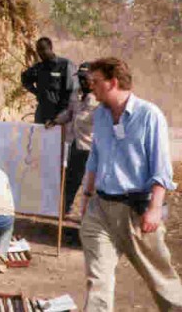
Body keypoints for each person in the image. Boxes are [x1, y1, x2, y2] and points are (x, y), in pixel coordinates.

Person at [79, 57, 182, 312]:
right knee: (98, 280)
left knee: (161, 280)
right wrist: (87, 195)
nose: (90, 86)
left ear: (113, 82)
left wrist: (155, 208)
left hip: (136, 211)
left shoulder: (149, 116)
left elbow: (161, 169)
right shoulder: (100, 115)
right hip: (100, 209)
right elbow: (95, 157)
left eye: (95, 81)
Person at [46, 61, 99, 218]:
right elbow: (69, 113)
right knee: (70, 179)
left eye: (85, 78)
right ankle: (64, 210)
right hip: (76, 144)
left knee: (91, 184)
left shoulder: (99, 97)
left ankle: (88, 217)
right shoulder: (76, 93)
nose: (82, 81)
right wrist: (55, 120)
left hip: (91, 146)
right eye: (80, 78)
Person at [21, 37, 76, 124]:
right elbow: (24, 78)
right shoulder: (39, 67)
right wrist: (36, 92)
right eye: (38, 50)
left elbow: (73, 91)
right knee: (39, 136)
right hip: (42, 112)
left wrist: (63, 113)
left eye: (43, 49)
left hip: (60, 113)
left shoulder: (65, 65)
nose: (40, 53)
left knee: (59, 137)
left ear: (50, 48)